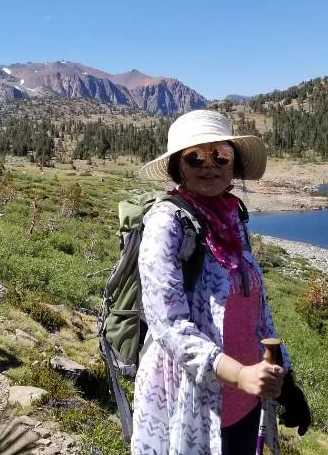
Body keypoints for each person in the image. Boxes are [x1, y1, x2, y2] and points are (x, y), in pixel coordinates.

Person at [131, 110, 311, 454]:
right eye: (194, 157)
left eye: (221, 155)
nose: (209, 165)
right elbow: (169, 326)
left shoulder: (233, 218)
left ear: (233, 162)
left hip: (248, 399)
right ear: (178, 167)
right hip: (193, 400)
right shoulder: (166, 224)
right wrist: (240, 374)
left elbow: (258, 314)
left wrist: (286, 383)